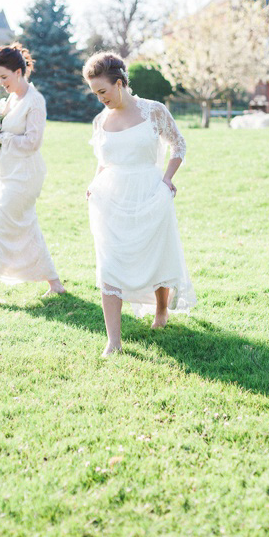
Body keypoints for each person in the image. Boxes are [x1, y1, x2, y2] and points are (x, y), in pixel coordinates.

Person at [84, 52, 194, 356]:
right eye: (95, 93)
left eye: (103, 91)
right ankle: (113, 341)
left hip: (149, 190)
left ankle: (161, 310)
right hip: (111, 199)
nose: (100, 99)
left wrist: (167, 179)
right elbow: (103, 161)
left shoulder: (153, 111)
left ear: (119, 83)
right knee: (110, 264)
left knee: (154, 254)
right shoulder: (101, 120)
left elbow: (179, 144)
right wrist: (93, 185)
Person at [0, 43, 66, 302]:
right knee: (25, 227)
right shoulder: (11, 99)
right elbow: (2, 131)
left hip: (25, 176)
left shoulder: (35, 101)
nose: (1, 83)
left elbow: (33, 142)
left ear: (19, 72)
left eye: (4, 77)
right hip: (5, 172)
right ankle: (55, 283)